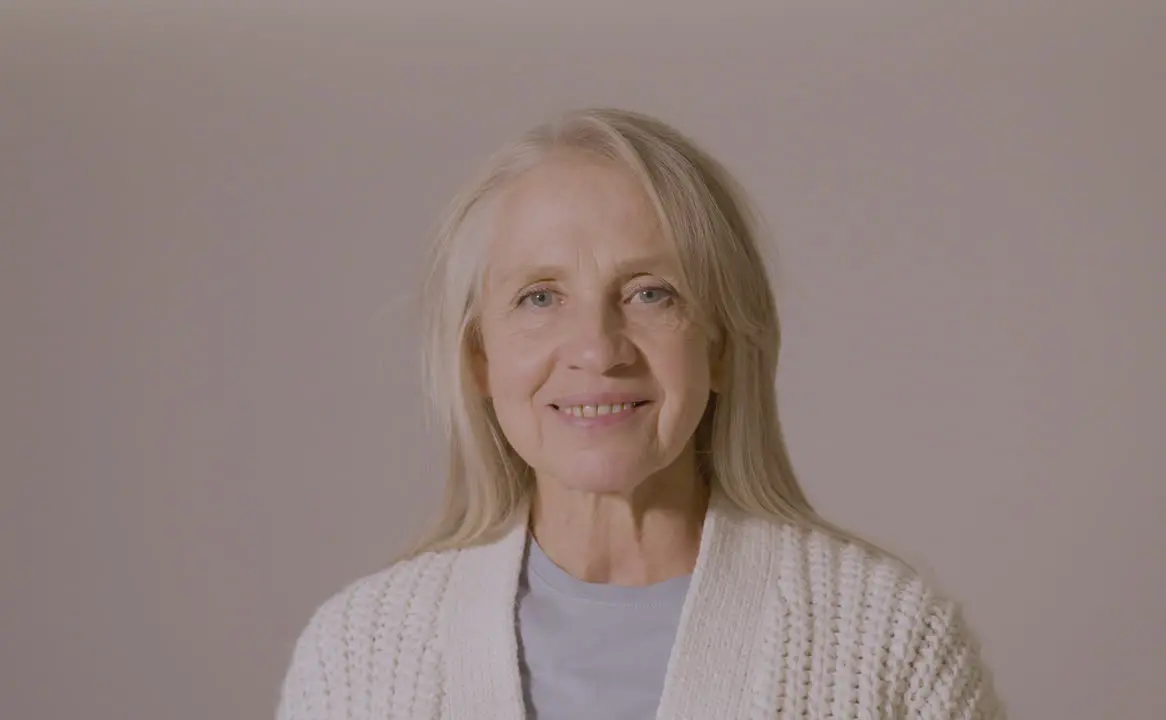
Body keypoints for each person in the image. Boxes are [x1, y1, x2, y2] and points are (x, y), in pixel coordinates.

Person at [275, 107, 1004, 719]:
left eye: (650, 292)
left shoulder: (888, 639)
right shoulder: (356, 657)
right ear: (480, 361)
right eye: (539, 296)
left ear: (719, 344)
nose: (597, 348)